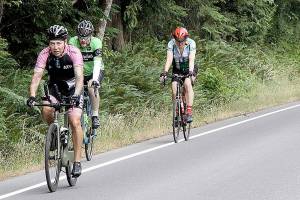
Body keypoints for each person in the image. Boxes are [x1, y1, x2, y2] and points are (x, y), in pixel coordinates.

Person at [26, 25, 84, 177]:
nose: (55, 47)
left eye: (58, 43)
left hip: (73, 88)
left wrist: (77, 95)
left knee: (74, 120)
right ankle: (55, 134)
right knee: (46, 108)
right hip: (55, 88)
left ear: (65, 41)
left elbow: (79, 77)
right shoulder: (45, 53)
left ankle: (77, 161)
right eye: (52, 43)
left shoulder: (74, 52)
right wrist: (32, 96)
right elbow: (37, 76)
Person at [68, 20, 104, 129]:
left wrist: (94, 79)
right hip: (79, 72)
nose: (83, 40)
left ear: (91, 36)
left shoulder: (96, 42)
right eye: (80, 37)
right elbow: (69, 61)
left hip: (94, 70)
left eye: (86, 38)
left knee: (91, 88)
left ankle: (95, 116)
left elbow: (97, 63)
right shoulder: (72, 41)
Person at [160, 27, 197, 123]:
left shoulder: (191, 43)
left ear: (186, 39)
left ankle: (189, 112)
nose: (180, 43)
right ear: (175, 39)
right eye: (178, 41)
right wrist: (165, 72)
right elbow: (169, 59)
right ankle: (178, 112)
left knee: (187, 84)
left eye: (182, 41)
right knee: (174, 88)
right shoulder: (171, 44)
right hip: (177, 68)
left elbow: (192, 59)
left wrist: (191, 71)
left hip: (189, 68)